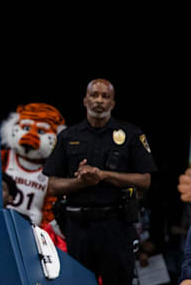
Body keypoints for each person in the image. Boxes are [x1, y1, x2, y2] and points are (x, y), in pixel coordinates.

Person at [43, 79, 155, 285]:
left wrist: (102, 175)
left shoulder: (131, 134)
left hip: (116, 226)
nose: (99, 101)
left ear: (113, 103)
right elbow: (52, 186)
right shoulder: (68, 136)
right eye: (94, 95)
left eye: (105, 96)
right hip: (78, 228)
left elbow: (145, 180)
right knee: (77, 281)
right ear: (85, 100)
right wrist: (82, 182)